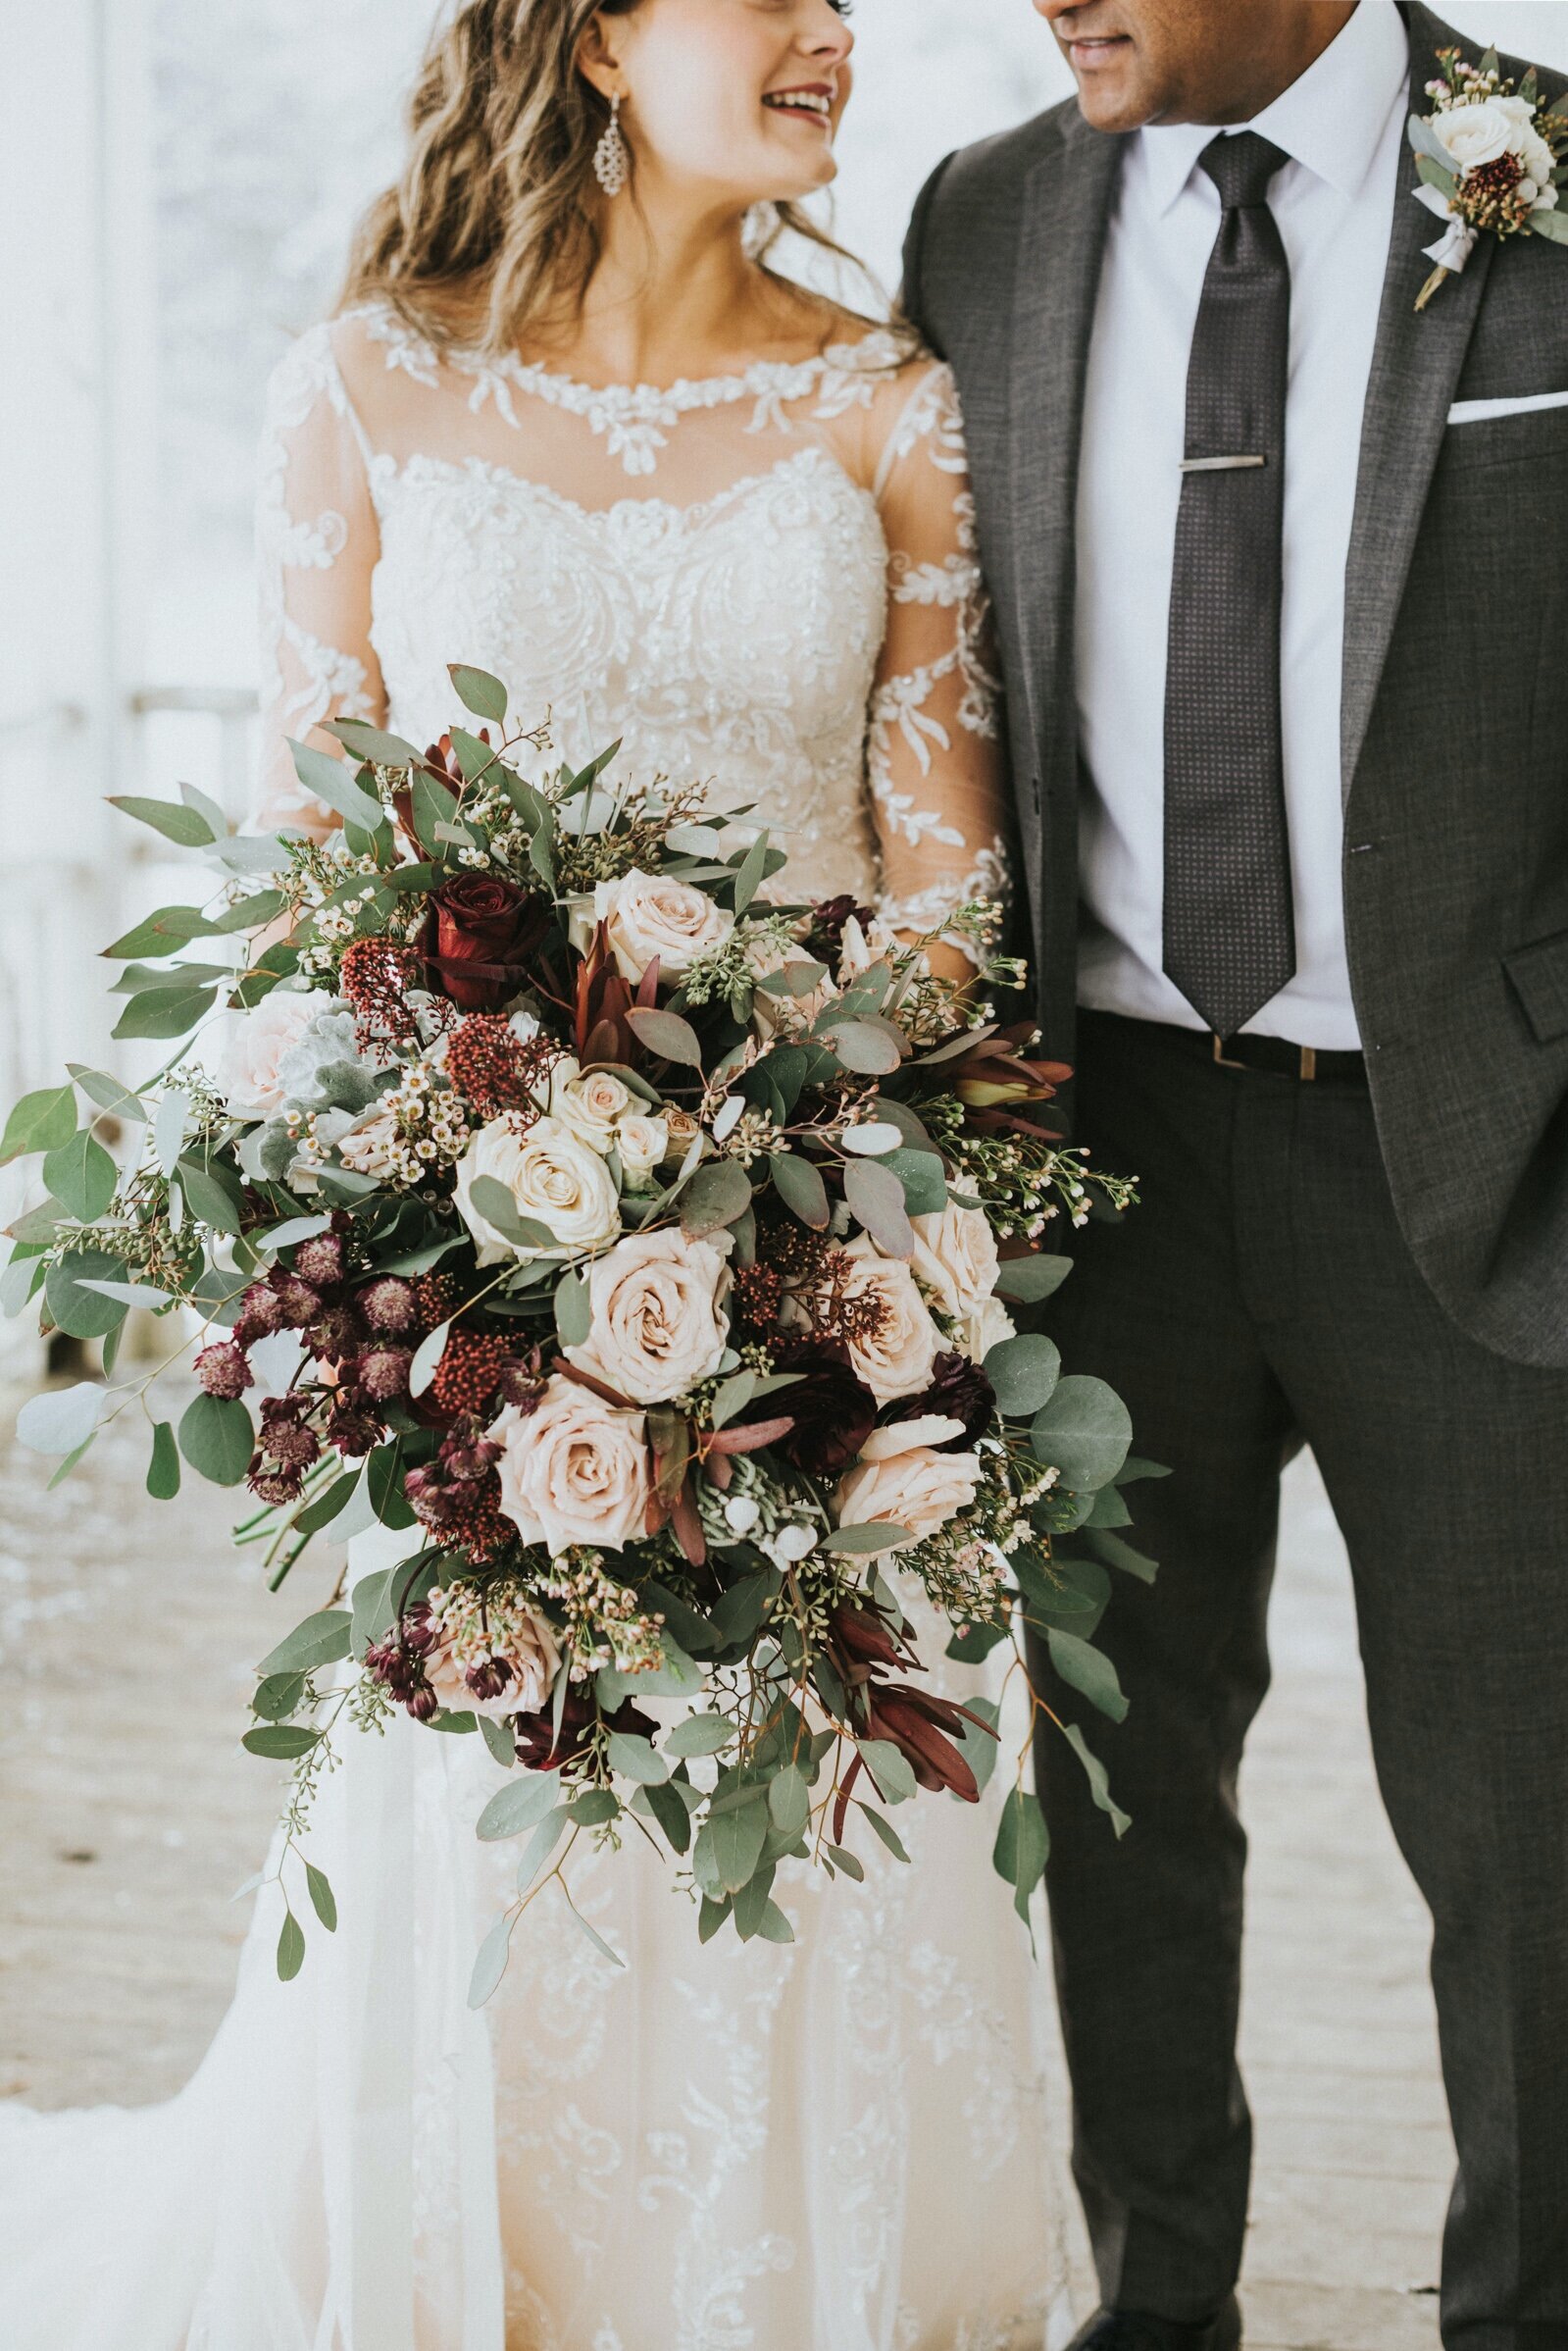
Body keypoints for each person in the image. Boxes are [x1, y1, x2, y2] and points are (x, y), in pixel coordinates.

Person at [0, 3, 1077, 2346]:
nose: (826, 34)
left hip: (806, 1250)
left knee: (805, 1778)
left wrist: (801, 1169)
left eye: (839, 7)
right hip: (466, 1246)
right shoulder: (362, 382)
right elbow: (320, 860)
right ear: (597, 37)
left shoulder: (883, 399)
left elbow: (939, 875)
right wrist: (430, 1185)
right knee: (491, 1749)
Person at [901, 2, 1568, 2346]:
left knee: (1529, 1835)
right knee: (1109, 1790)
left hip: (1482, 1161)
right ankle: (1149, 2304)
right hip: (1101, 1158)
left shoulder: (1547, 168)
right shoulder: (980, 215)